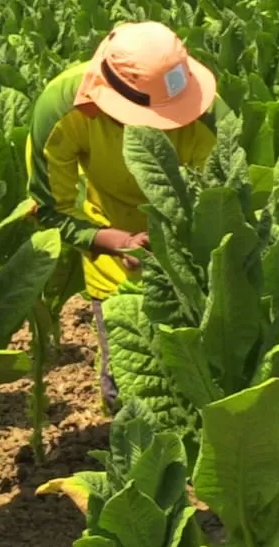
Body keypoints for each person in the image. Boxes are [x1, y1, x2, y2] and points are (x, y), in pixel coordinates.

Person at [27, 21, 218, 409]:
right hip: (109, 241)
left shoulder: (206, 115)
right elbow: (50, 210)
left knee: (200, 376)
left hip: (190, 253)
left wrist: (175, 248)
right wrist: (114, 241)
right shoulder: (64, 109)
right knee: (130, 385)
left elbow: (216, 206)